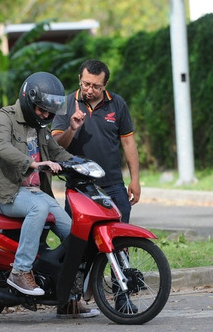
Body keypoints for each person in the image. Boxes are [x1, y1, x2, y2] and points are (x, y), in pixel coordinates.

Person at [0, 72, 99, 318]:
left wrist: (83, 165)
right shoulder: (4, 118)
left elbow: (57, 152)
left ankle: (67, 298)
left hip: (35, 193)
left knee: (76, 232)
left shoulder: (41, 127)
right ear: (28, 100)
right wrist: (32, 164)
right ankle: (20, 271)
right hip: (6, 192)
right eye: (41, 110)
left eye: (48, 112)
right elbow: (1, 146)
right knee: (39, 208)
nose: (45, 115)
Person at [51, 59, 141, 313]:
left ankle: (122, 298)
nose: (90, 90)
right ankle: (68, 299)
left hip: (112, 186)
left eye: (96, 86)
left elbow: (128, 144)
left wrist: (135, 179)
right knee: (77, 242)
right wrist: (72, 127)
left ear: (105, 84)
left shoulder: (117, 104)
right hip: (79, 187)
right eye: (86, 84)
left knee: (119, 241)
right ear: (80, 79)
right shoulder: (67, 104)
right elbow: (57, 147)